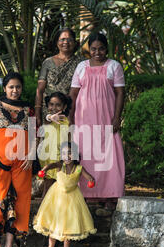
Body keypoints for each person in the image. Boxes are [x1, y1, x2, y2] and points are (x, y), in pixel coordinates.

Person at [69, 32, 125, 210]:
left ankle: (110, 195)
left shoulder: (114, 66)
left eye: (101, 48)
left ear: (106, 48)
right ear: (89, 50)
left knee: (109, 155)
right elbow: (73, 94)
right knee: (86, 155)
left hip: (106, 119)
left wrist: (116, 117)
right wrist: (70, 118)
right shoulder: (81, 67)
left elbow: (120, 93)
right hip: (83, 119)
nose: (97, 52)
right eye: (93, 49)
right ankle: (86, 195)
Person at [0, 71, 35, 247]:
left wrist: (31, 155)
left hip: (23, 162)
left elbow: (35, 133)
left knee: (20, 201)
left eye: (18, 87)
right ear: (4, 88)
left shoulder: (28, 108)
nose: (15, 90)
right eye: (11, 87)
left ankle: (10, 245)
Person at [33, 141, 97, 247]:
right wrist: (44, 169)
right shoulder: (59, 165)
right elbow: (50, 165)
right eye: (64, 153)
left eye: (70, 153)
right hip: (56, 197)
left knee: (68, 225)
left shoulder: (79, 168)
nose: (67, 156)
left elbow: (89, 177)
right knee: (53, 223)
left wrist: (91, 180)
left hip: (72, 198)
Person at [35, 27, 82, 128]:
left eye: (69, 39)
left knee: (69, 141)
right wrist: (37, 113)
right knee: (49, 141)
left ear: (74, 42)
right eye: (62, 39)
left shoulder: (81, 63)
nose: (66, 42)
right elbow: (40, 89)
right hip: (49, 110)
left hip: (72, 110)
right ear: (57, 43)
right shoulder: (48, 62)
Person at [37, 92, 71, 197]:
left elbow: (70, 138)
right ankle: (43, 209)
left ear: (64, 106)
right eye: (51, 104)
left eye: (58, 105)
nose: (54, 107)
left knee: (61, 183)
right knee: (48, 182)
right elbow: (47, 118)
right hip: (48, 156)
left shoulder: (68, 121)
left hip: (61, 155)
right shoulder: (48, 119)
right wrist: (51, 117)